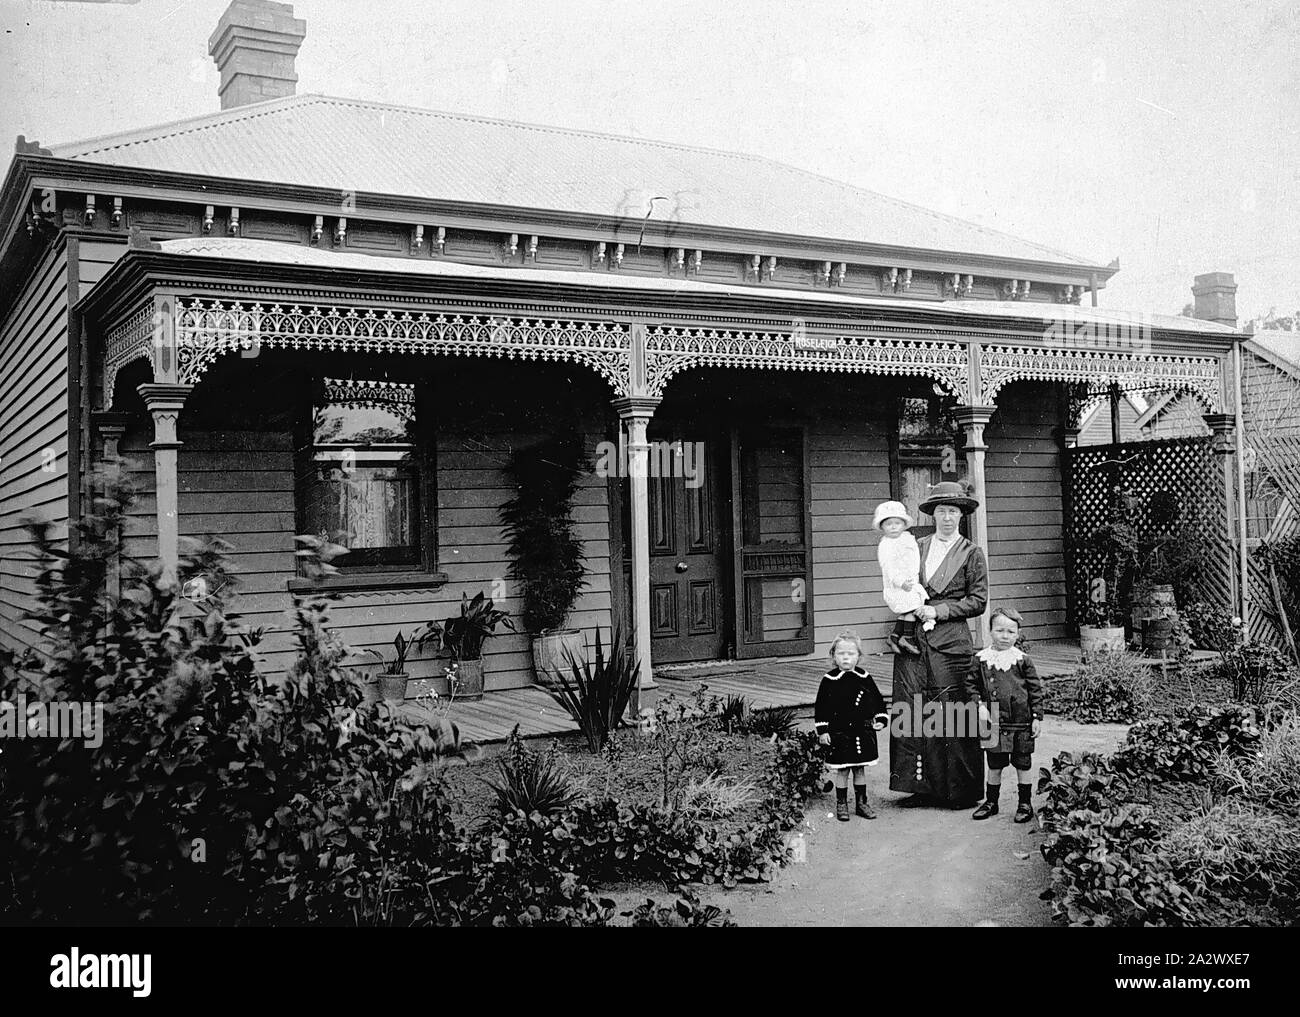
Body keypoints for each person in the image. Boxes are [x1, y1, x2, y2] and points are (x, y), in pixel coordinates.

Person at [889, 480, 988, 808]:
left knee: (953, 714)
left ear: (961, 515)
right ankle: (921, 788)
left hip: (952, 645)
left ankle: (959, 791)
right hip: (915, 641)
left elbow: (978, 601)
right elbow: (902, 592)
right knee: (914, 711)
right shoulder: (915, 547)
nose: (947, 517)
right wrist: (898, 632)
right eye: (942, 511)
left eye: (953, 511)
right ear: (933, 514)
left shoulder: (971, 553)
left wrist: (939, 609)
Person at [964, 606, 1044, 823]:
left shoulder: (1022, 660)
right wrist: (979, 706)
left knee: (1023, 763)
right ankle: (992, 802)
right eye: (1000, 630)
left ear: (1017, 634)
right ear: (990, 631)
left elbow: (1035, 690)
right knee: (995, 763)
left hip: (1021, 721)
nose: (1005, 636)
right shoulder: (981, 659)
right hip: (993, 720)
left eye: (1011, 632)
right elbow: (970, 686)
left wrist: (1036, 717)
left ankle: (1025, 804)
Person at [815, 630, 890, 822]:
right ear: (833, 656)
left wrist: (881, 718)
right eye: (841, 654)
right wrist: (823, 731)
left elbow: (876, 700)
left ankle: (862, 803)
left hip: (861, 731)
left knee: (859, 768)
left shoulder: (864, 678)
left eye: (851, 654)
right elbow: (821, 707)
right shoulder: (829, 680)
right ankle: (842, 804)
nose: (846, 657)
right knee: (843, 768)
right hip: (840, 733)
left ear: (859, 656)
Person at [872, 500, 934, 655]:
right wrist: (900, 582)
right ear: (882, 527)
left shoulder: (906, 538)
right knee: (913, 609)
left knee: (906, 611)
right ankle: (907, 637)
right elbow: (889, 568)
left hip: (911, 580)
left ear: (903, 524)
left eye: (897, 523)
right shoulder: (886, 545)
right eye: (888, 524)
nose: (893, 527)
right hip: (899, 584)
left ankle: (894, 636)